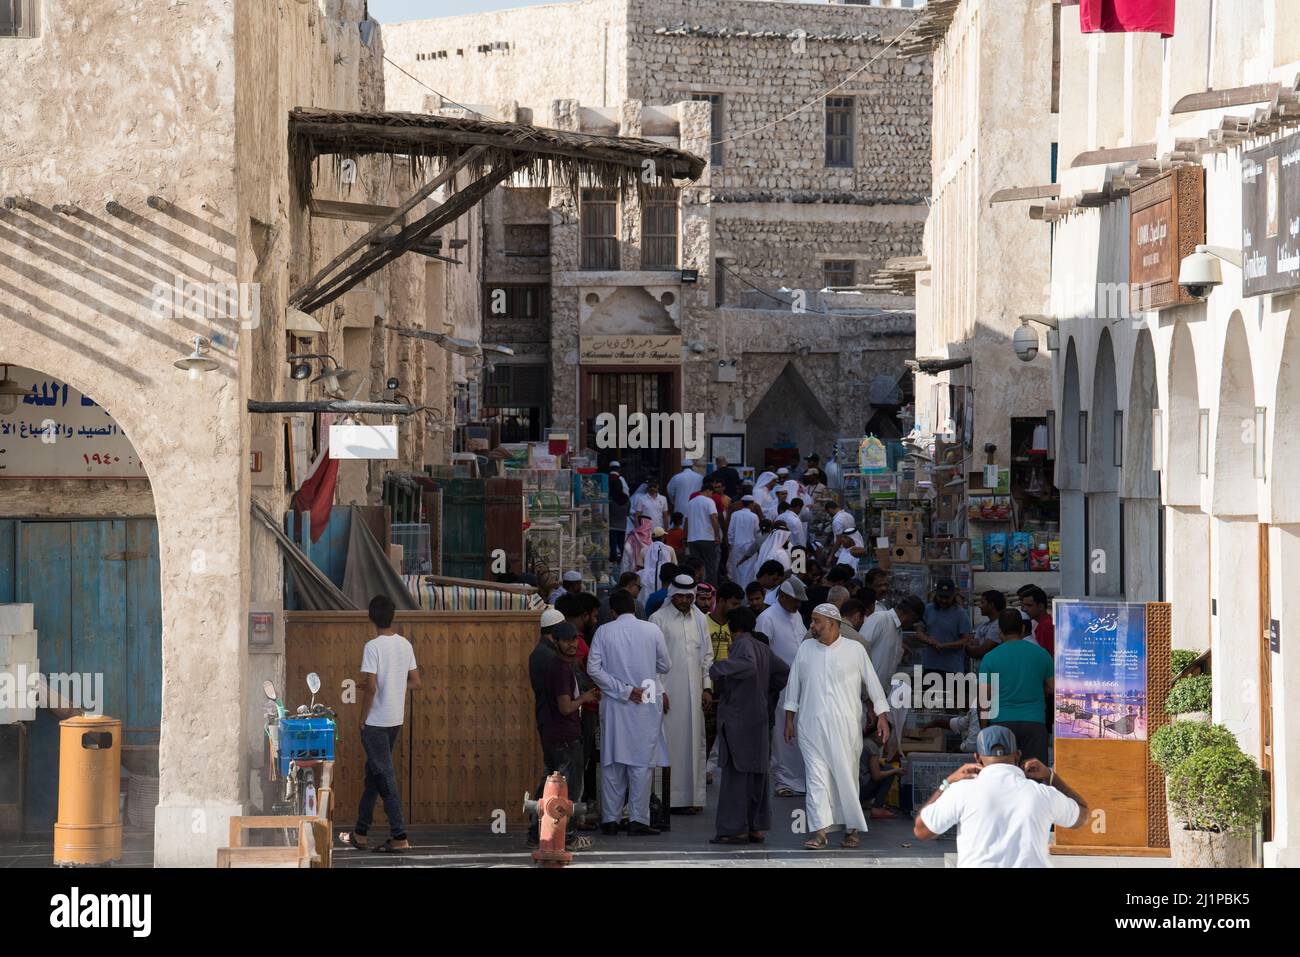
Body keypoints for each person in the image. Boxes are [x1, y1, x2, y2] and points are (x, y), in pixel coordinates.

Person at [784, 603, 890, 849]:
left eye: (816, 621)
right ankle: (820, 832)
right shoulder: (806, 649)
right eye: (812, 620)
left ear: (832, 624)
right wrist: (789, 719)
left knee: (846, 775)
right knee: (816, 778)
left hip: (846, 726)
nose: (812, 626)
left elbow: (873, 684)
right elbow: (793, 686)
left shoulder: (855, 650)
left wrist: (882, 715)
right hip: (810, 725)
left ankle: (852, 829)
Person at [914, 726, 1087, 867]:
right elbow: (1082, 815)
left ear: (977, 758)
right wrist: (1051, 776)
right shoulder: (1042, 793)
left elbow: (921, 830)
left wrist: (948, 782)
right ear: (1018, 755)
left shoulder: (961, 791)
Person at [587, 589, 671, 836]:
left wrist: (622, 690)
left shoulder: (603, 631)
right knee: (641, 765)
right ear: (634, 607)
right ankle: (638, 820)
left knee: (612, 763)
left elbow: (593, 669)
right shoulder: (652, 630)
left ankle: (610, 820)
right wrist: (640, 678)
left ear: (612, 611)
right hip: (645, 701)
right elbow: (666, 665)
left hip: (614, 706)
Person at [340, 595, 420, 853]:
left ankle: (399, 836)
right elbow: (416, 682)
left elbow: (372, 688)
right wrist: (395, 685)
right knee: (374, 776)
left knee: (384, 776)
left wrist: (362, 717)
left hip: (375, 722)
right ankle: (360, 833)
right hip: (395, 719)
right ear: (393, 616)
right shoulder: (405, 645)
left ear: (371, 617)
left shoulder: (372, 647)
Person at [708, 606, 790, 844]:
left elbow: (747, 665)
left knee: (736, 777)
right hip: (759, 721)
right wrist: (765, 694)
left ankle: (736, 829)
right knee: (757, 777)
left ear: (734, 626)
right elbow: (783, 672)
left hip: (739, 721)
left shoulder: (742, 644)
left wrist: (716, 670)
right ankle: (755, 827)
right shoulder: (763, 647)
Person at [650, 574, 714, 811]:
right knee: (670, 744)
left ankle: (691, 799)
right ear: (672, 595)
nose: (686, 601)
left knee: (694, 743)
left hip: (695, 693)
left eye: (690, 597)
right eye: (681, 596)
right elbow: (652, 659)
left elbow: (707, 656)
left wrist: (707, 687)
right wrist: (660, 690)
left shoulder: (700, 618)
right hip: (669, 693)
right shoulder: (658, 619)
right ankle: (669, 799)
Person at [535, 622, 597, 850]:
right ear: (556, 641)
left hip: (556, 735)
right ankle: (567, 838)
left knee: (551, 787)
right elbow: (565, 707)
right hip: (564, 737)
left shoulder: (559, 665)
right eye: (566, 640)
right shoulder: (560, 668)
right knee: (568, 790)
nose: (572, 645)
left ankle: (541, 834)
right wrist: (585, 698)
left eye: (574, 640)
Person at [978, 609, 1054, 764]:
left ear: (1000, 631)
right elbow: (1054, 689)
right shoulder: (1041, 654)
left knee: (1002, 775)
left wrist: (984, 730)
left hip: (1000, 723)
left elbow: (984, 700)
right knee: (1035, 776)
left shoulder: (990, 658)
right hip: (1034, 724)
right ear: (1023, 629)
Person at [757, 576, 809, 797]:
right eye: (795, 600)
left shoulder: (796, 615)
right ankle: (783, 781)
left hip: (800, 684)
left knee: (798, 732)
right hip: (778, 685)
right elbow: (762, 652)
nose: (798, 605)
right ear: (784, 597)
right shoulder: (766, 618)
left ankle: (799, 779)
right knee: (781, 734)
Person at [916, 578, 973, 675]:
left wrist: (945, 646)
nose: (943, 600)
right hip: (930, 667)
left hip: (953, 669)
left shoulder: (961, 614)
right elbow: (919, 632)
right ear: (936, 594)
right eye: (940, 597)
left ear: (953, 596)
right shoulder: (928, 609)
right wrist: (930, 641)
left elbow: (966, 640)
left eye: (947, 598)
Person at [859, 723, 906, 820]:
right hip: (861, 790)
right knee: (889, 769)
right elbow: (876, 776)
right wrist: (895, 770)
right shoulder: (872, 747)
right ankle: (877, 808)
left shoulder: (864, 742)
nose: (886, 740)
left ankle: (868, 803)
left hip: (855, 788)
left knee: (885, 767)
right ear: (878, 733)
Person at [684, 487, 722, 586]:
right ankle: (711, 589)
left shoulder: (691, 503)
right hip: (707, 538)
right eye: (711, 493)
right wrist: (717, 535)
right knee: (710, 567)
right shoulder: (709, 501)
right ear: (708, 490)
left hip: (692, 539)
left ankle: (694, 588)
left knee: (694, 567)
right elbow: (714, 518)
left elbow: (686, 522)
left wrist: (685, 537)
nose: (711, 495)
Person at [726, 495, 761, 583]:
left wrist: (731, 544)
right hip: (750, 546)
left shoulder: (735, 515)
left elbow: (730, 531)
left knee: (737, 569)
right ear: (752, 504)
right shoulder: (754, 516)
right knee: (748, 571)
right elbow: (757, 533)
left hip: (737, 545)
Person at [636, 526, 676, 596]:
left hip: (647, 580)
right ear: (663, 537)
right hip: (664, 580)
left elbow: (640, 567)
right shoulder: (670, 549)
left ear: (652, 538)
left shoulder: (644, 550)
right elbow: (674, 566)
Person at [969, 589, 1007, 660]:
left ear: (991, 605)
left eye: (982, 603)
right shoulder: (983, 625)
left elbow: (980, 651)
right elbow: (972, 641)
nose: (979, 606)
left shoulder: (998, 625)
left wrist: (965, 646)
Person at [1020, 585, 1055, 656]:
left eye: (1029, 605)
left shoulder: (1046, 625)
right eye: (1024, 606)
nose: (1024, 609)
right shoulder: (1042, 624)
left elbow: (1047, 656)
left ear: (1040, 606)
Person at [608, 471, 630, 563]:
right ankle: (622, 559)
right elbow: (628, 512)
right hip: (623, 525)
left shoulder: (611, 499)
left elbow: (608, 511)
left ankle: (613, 559)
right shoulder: (627, 500)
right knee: (621, 543)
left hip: (612, 525)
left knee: (613, 544)